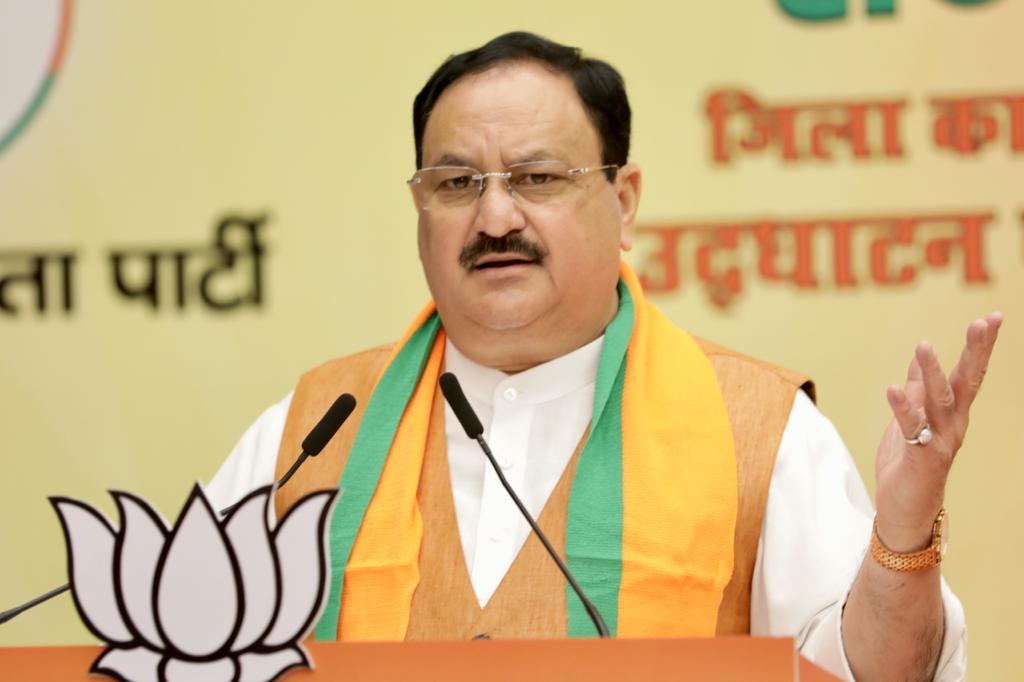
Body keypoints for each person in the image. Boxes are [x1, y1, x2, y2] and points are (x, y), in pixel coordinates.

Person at [207, 32, 1001, 680]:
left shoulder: (755, 427)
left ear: (622, 204)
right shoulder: (312, 430)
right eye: (455, 184)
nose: (492, 217)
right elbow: (175, 645)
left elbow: (873, 676)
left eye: (536, 177)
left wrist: (901, 538)